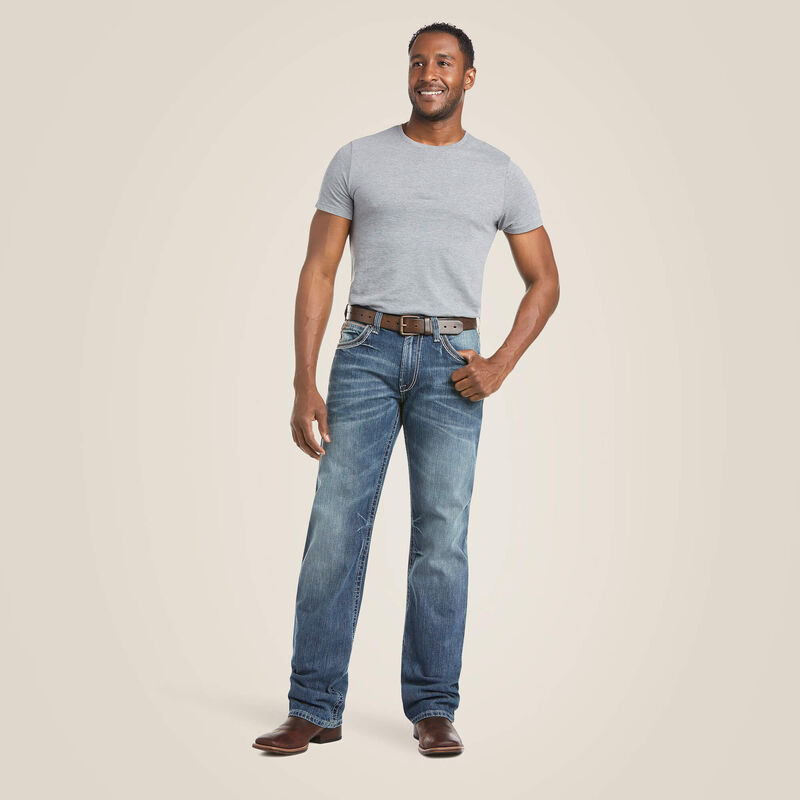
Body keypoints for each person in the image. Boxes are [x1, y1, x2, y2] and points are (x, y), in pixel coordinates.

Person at [253, 22, 559, 758]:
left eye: (444, 62)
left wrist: (501, 363)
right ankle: (313, 706)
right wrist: (303, 379)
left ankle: (433, 707)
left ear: (468, 77)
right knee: (335, 528)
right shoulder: (357, 159)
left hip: (454, 363)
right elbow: (319, 270)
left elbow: (545, 281)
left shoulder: (499, 173)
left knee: (441, 538)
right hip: (364, 352)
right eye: (419, 61)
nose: (429, 73)